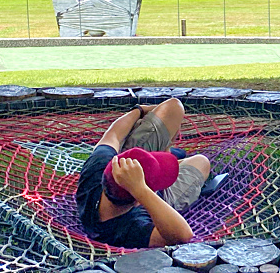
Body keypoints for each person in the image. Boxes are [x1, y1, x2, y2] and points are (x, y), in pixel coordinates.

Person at [76, 98, 215, 248]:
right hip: (155, 201)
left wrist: (139, 110)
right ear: (139, 201)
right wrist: (141, 190)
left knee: (174, 107)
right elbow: (183, 235)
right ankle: (173, 156)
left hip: (133, 186)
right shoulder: (130, 228)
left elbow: (114, 134)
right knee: (201, 162)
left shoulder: (95, 171)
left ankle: (168, 155)